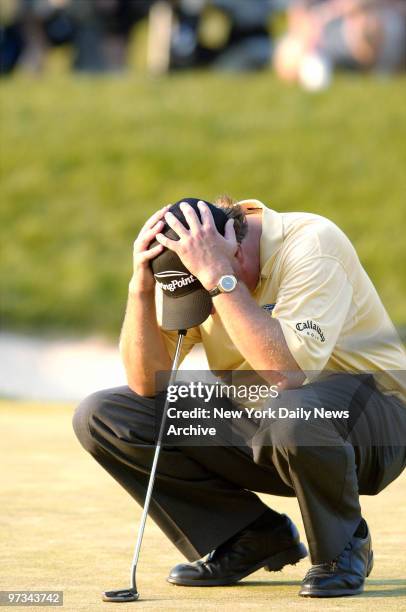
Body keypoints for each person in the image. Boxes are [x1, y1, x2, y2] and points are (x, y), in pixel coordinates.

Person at [73, 196, 406, 598]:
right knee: (106, 415)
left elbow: (288, 373)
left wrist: (218, 279)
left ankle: (344, 543)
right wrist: (140, 289)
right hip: (273, 420)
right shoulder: (190, 262)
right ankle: (250, 537)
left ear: (234, 247)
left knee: (291, 410)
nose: (205, 305)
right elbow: (148, 385)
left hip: (375, 423)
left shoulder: (311, 244)